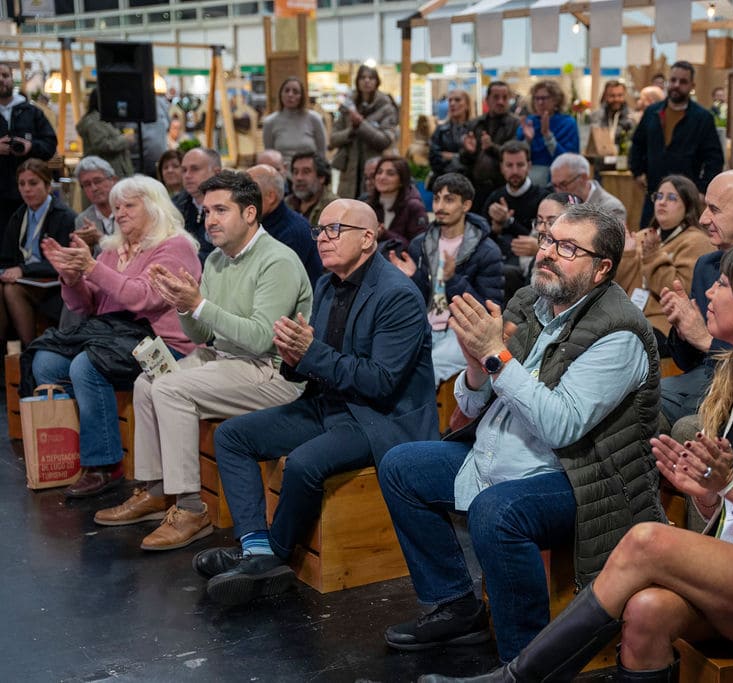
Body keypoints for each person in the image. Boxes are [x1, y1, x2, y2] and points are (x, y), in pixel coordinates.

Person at [425, 237, 733, 682]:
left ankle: (518, 677)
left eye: (724, 284)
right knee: (646, 612)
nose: (709, 292)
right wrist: (706, 494)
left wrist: (729, 486)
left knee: (649, 541)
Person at [380, 203, 663, 664]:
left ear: (601, 269)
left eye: (568, 248)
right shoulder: (529, 304)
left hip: (581, 476)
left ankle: (527, 661)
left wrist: (496, 358)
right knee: (401, 466)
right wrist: (475, 370)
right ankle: (455, 606)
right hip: (503, 451)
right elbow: (473, 405)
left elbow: (560, 424)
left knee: (497, 511)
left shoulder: (621, 334)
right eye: (549, 240)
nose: (548, 253)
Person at [191, 199, 437, 605]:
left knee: (305, 462)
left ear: (368, 239)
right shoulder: (325, 284)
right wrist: (293, 360)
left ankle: (274, 557)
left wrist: (309, 353)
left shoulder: (398, 296)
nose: (322, 238)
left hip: (377, 419)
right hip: (328, 404)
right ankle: (255, 548)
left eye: (334, 230)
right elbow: (316, 359)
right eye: (319, 230)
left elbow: (381, 382)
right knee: (233, 436)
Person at [92, 171, 313, 551]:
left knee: (171, 388)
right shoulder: (216, 261)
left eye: (221, 210)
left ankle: (192, 508)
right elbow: (200, 336)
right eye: (207, 210)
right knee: (147, 381)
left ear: (249, 213)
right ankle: (157, 490)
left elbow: (262, 338)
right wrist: (183, 305)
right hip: (224, 357)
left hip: (272, 371)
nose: (210, 219)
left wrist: (199, 304)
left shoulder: (278, 260)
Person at [30, 176, 201, 498]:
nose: (119, 212)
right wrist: (70, 277)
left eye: (129, 205)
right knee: (47, 361)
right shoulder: (112, 249)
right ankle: (78, 446)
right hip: (112, 337)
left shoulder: (175, 246)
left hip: (162, 344)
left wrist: (92, 267)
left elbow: (143, 298)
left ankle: (105, 465)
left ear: (153, 206)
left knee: (87, 365)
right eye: (117, 206)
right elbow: (85, 305)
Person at [658, 168, 733, 424]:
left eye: (714, 209)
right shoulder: (706, 265)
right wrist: (681, 326)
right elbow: (687, 362)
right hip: (703, 379)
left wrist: (706, 340)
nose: (702, 218)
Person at [387, 173, 503, 387]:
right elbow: (417, 299)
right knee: (389, 359)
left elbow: (489, 311)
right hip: (422, 326)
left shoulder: (486, 251)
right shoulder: (420, 244)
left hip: (459, 332)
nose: (440, 205)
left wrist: (451, 279)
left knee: (428, 368)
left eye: (449, 199)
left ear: (466, 205)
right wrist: (413, 277)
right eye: (437, 198)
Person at [616, 174, 713, 353]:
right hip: (627, 316)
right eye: (658, 196)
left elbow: (680, 291)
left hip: (664, 324)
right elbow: (618, 286)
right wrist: (628, 254)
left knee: (623, 345)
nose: (661, 202)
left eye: (671, 198)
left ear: (688, 204)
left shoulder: (697, 241)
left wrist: (653, 256)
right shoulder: (643, 235)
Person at [630, 60, 724, 227]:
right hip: (654, 194)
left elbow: (714, 158)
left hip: (686, 197)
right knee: (647, 239)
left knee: (684, 243)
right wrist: (637, 171)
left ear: (692, 85)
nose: (676, 85)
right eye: (673, 80)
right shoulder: (652, 112)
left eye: (683, 81)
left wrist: (702, 189)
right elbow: (637, 144)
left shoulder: (702, 118)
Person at [0, 159, 76, 347]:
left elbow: (63, 263)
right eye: (22, 184)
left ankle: (29, 349)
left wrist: (23, 270)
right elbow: (6, 258)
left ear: (48, 185)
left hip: (54, 286)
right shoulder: (18, 216)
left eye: (33, 183)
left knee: (11, 290)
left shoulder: (65, 216)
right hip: (25, 279)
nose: (27, 189)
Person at [0, 63, 58, 235]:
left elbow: (50, 144)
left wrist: (31, 147)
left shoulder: (32, 113)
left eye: (5, 75)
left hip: (30, 196)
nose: (1, 80)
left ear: (13, 79)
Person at [482, 140, 544, 296]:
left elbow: (541, 239)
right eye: (509, 165)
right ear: (502, 168)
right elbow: (482, 238)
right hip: (498, 259)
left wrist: (509, 222)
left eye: (520, 165)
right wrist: (495, 228)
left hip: (527, 264)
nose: (515, 171)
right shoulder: (495, 197)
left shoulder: (543, 198)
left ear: (529, 166)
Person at [245, 164, 322, 286]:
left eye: (248, 191)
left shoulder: (294, 232)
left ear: (270, 197)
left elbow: (276, 284)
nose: (241, 198)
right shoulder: (256, 223)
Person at [331, 65, 398, 199]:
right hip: (349, 173)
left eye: (371, 77)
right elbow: (333, 139)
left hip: (375, 172)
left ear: (377, 81)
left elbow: (384, 141)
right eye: (363, 77)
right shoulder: (347, 107)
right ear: (357, 81)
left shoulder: (386, 108)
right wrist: (351, 131)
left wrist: (361, 124)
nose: (367, 81)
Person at [461, 81, 520, 216]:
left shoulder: (515, 124)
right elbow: (463, 159)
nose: (500, 101)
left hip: (502, 188)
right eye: (496, 97)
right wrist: (468, 151)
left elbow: (514, 155)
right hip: (475, 188)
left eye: (505, 97)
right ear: (487, 100)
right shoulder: (475, 124)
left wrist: (491, 148)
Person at [516, 80, 579, 185]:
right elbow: (518, 156)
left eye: (544, 98)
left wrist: (547, 136)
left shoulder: (567, 123)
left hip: (559, 181)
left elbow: (569, 160)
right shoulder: (528, 122)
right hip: (530, 181)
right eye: (537, 98)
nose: (540, 102)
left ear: (556, 100)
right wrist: (527, 140)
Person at [261, 77, 327, 170]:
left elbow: (322, 153)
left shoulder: (315, 119)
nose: (290, 95)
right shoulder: (270, 122)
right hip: (283, 176)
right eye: (286, 91)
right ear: (281, 94)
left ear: (302, 96)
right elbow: (270, 156)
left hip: (309, 175)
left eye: (295, 92)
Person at [367, 155, 427, 249]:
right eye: (379, 172)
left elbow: (418, 247)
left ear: (402, 180)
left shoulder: (414, 207)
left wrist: (385, 234)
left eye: (390, 174)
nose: (382, 177)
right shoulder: (368, 204)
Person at [550, 152, 627, 225]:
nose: (558, 191)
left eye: (563, 184)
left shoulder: (611, 208)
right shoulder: (556, 203)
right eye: (555, 185)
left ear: (583, 178)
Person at [172, 147, 220, 263]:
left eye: (195, 169)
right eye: (184, 170)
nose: (187, 175)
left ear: (216, 172)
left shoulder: (230, 208)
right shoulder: (174, 207)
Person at [77, 90, 134, 179]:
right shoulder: (94, 122)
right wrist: (125, 140)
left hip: (113, 171)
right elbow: (102, 145)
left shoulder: (105, 119)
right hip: (104, 174)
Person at [73, 156, 118, 250]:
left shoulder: (129, 211)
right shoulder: (83, 219)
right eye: (87, 184)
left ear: (113, 180)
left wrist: (100, 239)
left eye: (98, 181)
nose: (94, 188)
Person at [429, 89, 472, 182]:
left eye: (457, 100)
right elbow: (434, 158)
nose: (452, 103)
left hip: (469, 182)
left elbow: (475, 160)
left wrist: (453, 157)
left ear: (467, 105)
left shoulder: (474, 129)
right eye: (450, 100)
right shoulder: (440, 130)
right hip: (443, 180)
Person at [285, 151, 337, 228]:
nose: (299, 177)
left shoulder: (333, 207)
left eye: (306, 172)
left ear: (321, 177)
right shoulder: (286, 204)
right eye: (295, 172)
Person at [592, 80, 634, 150]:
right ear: (605, 96)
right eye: (612, 96)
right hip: (601, 156)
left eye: (620, 95)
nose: (616, 99)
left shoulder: (631, 118)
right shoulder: (596, 116)